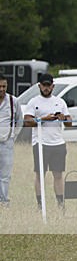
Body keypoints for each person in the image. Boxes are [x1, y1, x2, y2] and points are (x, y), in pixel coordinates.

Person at [23, 73, 72, 211]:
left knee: (58, 175)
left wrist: (63, 118)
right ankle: (40, 204)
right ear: (39, 86)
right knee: (40, 175)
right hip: (40, 143)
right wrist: (43, 119)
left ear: (53, 86)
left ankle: (60, 204)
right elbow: (26, 122)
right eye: (44, 85)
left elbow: (70, 123)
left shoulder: (60, 102)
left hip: (58, 143)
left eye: (48, 85)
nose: (46, 88)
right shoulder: (34, 102)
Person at [0, 76, 24, 207]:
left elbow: (20, 120)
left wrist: (13, 136)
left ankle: (3, 202)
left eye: (4, 86)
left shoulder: (12, 101)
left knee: (5, 175)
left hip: (6, 143)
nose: (1, 89)